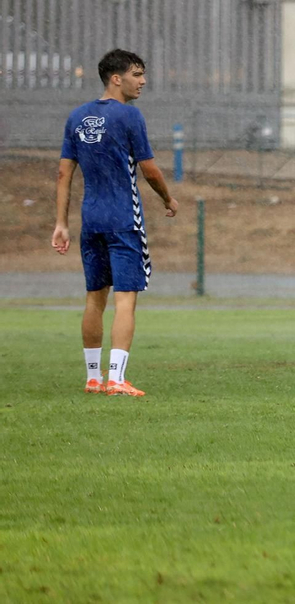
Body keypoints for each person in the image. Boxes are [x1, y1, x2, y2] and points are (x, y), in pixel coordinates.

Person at [51, 49, 177, 397]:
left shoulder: (77, 117)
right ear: (116, 78)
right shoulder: (129, 117)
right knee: (126, 299)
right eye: (137, 74)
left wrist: (61, 222)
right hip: (123, 216)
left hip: (90, 218)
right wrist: (168, 198)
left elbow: (64, 172)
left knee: (94, 297)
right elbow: (148, 168)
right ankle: (117, 379)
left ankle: (93, 377)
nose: (143, 81)